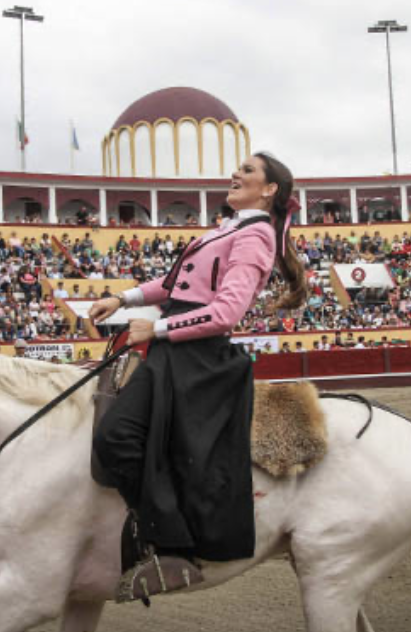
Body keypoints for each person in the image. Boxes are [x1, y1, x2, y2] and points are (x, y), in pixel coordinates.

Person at [89, 152, 306, 602]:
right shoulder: (229, 228)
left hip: (197, 355)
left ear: (269, 190)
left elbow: (226, 313)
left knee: (116, 435)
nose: (236, 174)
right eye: (238, 168)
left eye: (248, 171)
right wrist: (122, 298)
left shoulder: (256, 235)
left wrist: (159, 327)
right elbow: (173, 287)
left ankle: (171, 547)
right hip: (176, 346)